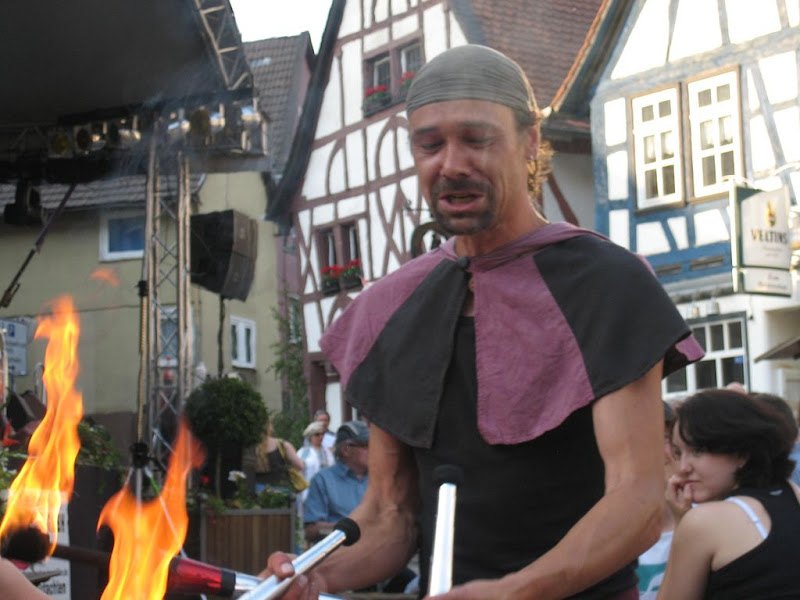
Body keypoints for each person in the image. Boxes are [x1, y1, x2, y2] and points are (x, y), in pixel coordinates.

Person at [264, 44, 702, 598]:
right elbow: (389, 516)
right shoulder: (389, 307)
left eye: (476, 139)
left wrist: (516, 591)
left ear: (530, 142)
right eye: (430, 144)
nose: (451, 164)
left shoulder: (608, 284)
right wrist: (314, 576)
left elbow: (637, 501)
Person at [658, 388, 800, 598]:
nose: (683, 467)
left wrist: (682, 523)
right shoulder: (792, 493)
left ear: (741, 452)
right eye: (679, 453)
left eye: (698, 451)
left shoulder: (704, 521)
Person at [636, 401, 678, 599]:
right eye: (643, 440)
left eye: (666, 438)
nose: (666, 452)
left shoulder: (707, 518)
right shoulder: (601, 532)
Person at [303, 421, 369, 545]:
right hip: (342, 551)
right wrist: (349, 530)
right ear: (346, 450)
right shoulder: (323, 480)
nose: (373, 451)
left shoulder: (380, 479)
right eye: (366, 446)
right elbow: (311, 530)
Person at [253, 421, 304, 494]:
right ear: (270, 427)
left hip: (257, 489)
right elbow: (300, 466)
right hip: (281, 490)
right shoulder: (282, 445)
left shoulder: (249, 447)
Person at [297, 420, 335, 502]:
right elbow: (298, 472)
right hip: (309, 492)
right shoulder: (303, 452)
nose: (321, 437)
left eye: (322, 434)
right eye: (317, 434)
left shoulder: (327, 452)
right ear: (310, 436)